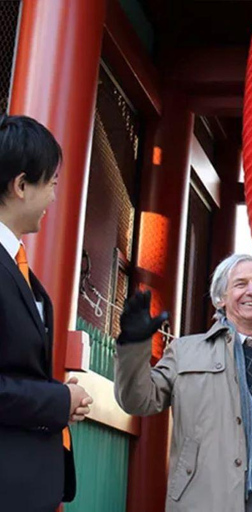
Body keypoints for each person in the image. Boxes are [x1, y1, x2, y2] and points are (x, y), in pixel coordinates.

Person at [114, 254, 252, 512]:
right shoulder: (185, 351)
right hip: (208, 497)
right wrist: (133, 344)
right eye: (241, 284)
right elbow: (138, 400)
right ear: (220, 298)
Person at [0, 114, 93, 511]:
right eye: (51, 184)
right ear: (21, 185)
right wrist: (59, 400)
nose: (54, 198)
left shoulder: (21, 269)